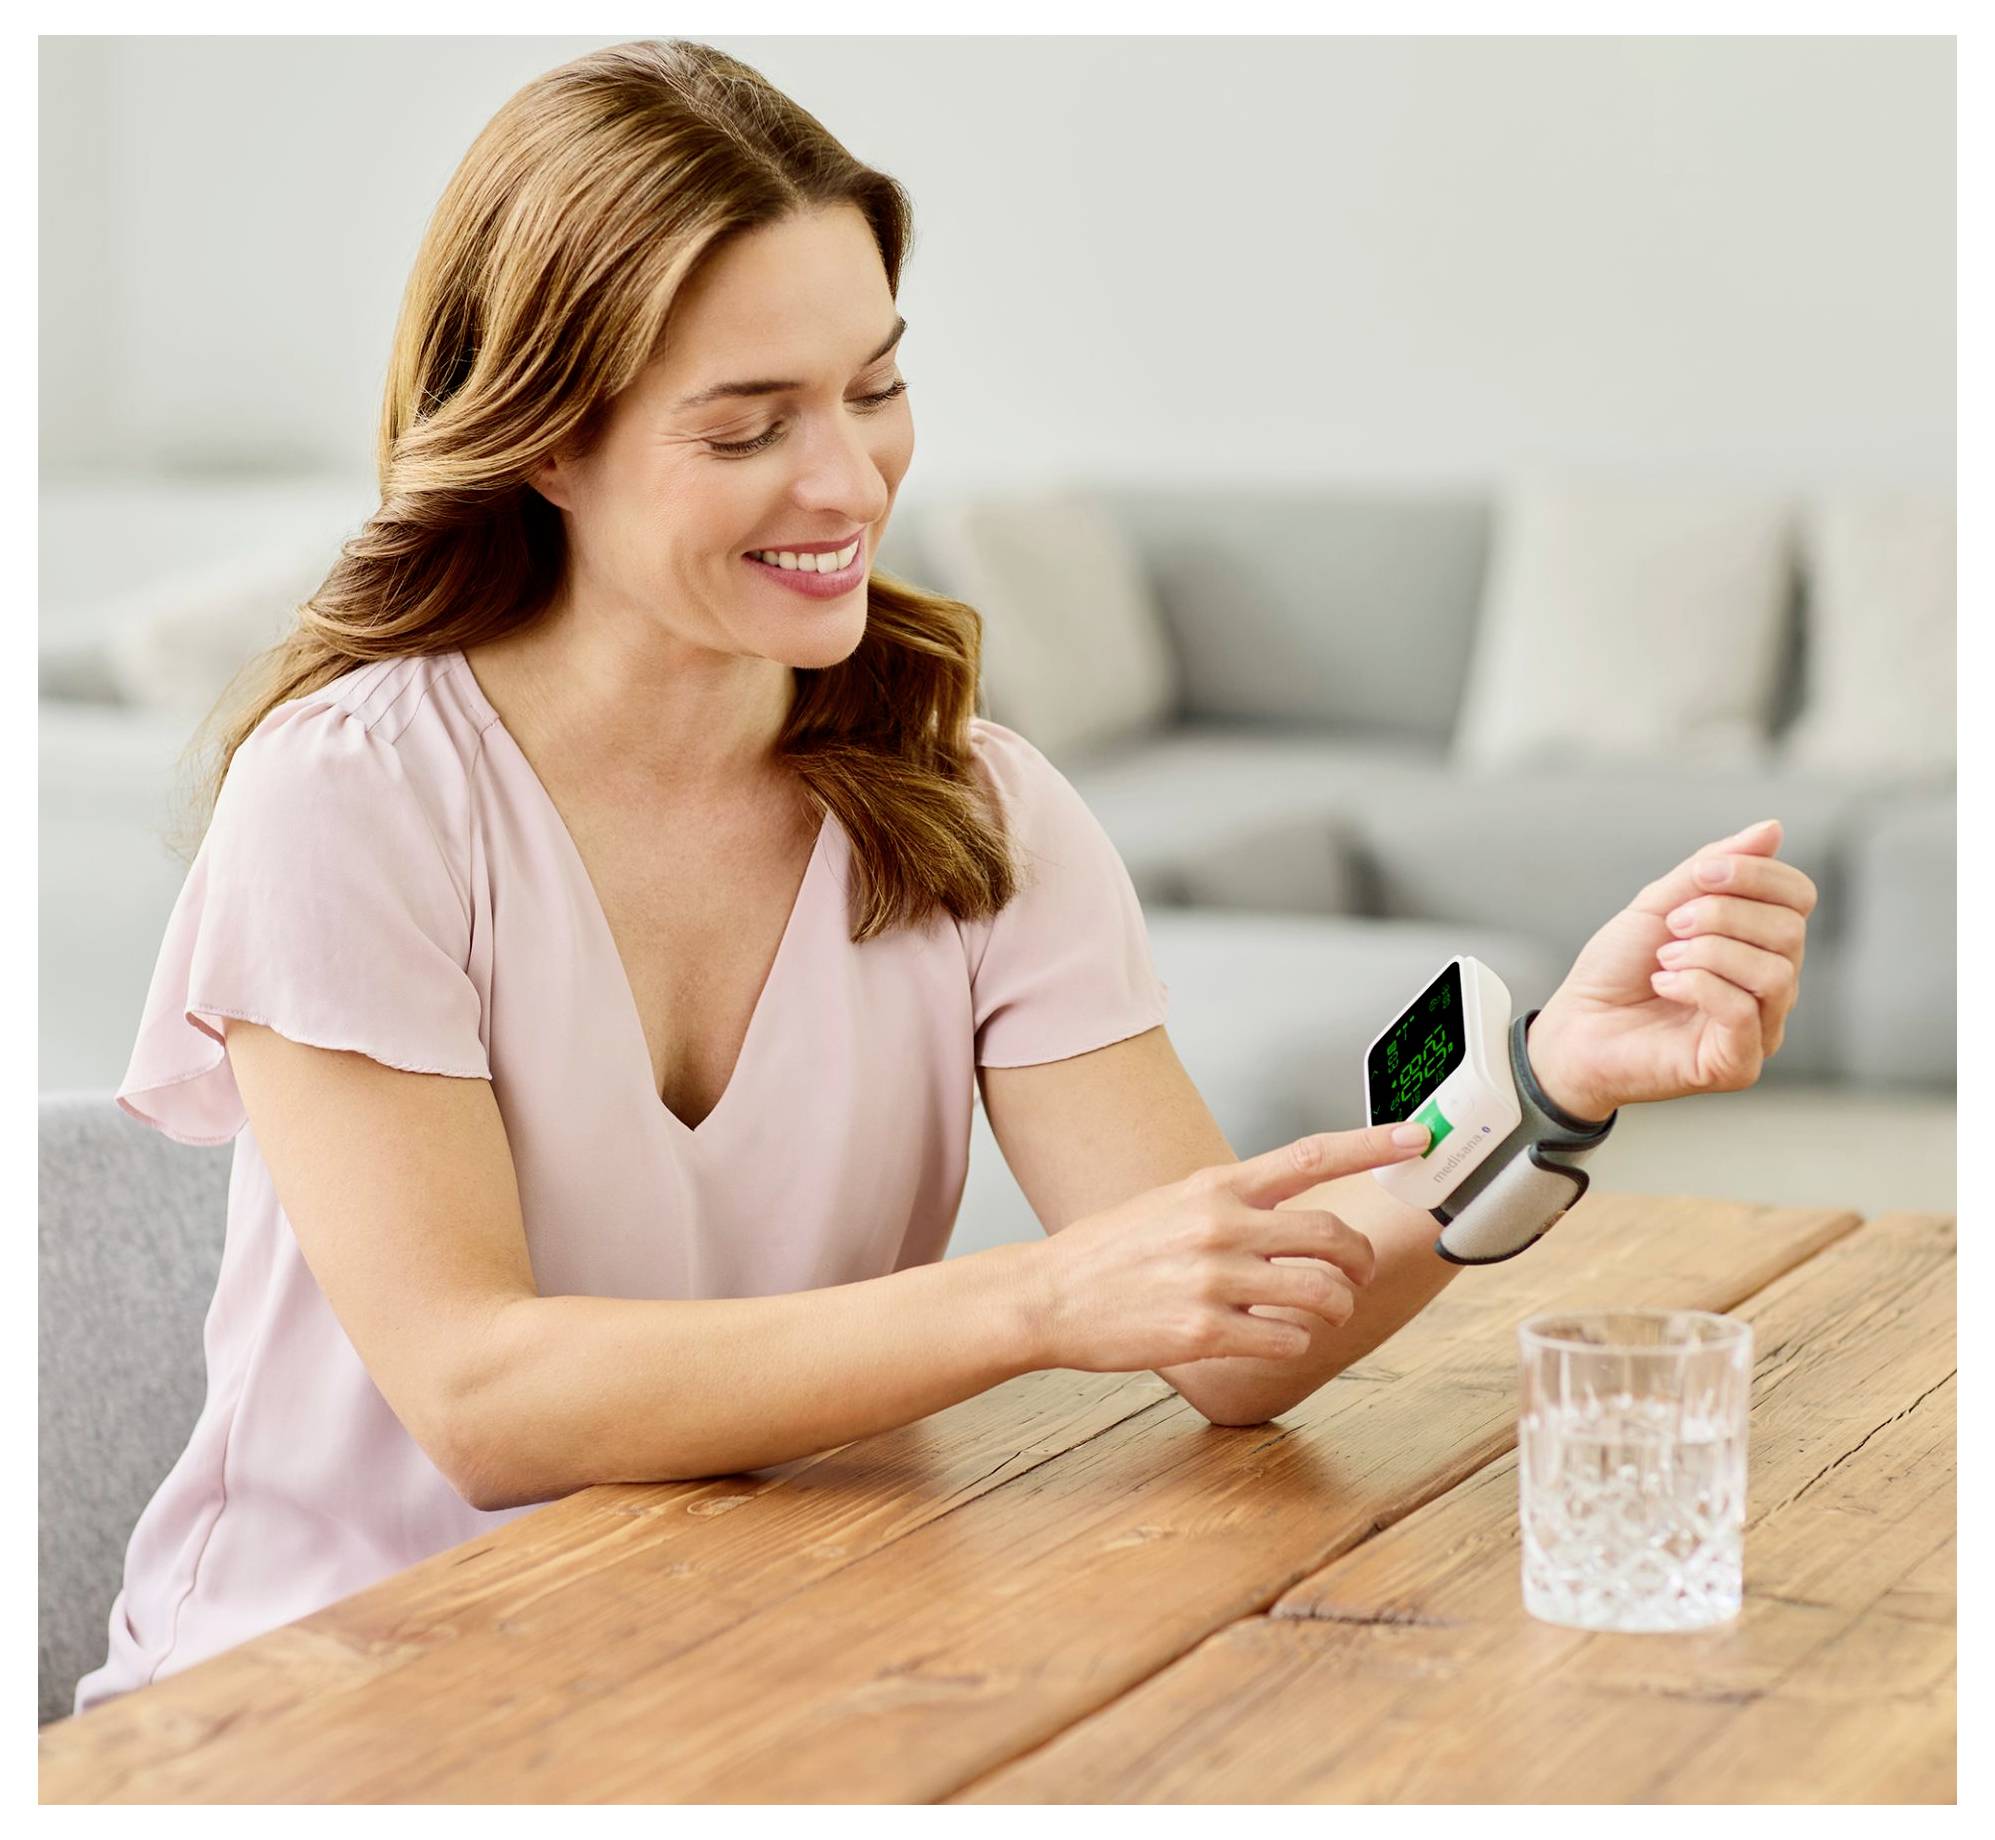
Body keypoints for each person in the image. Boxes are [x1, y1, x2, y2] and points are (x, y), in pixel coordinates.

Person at [73, 39, 1814, 1718]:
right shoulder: (355, 798)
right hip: (319, 1700)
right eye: (748, 425)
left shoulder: (973, 808)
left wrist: (1551, 1090)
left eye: (876, 387)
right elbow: (482, 1395)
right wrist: (1039, 1304)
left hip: (757, 1682)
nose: (848, 480)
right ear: (549, 440)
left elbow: (1231, 1337)